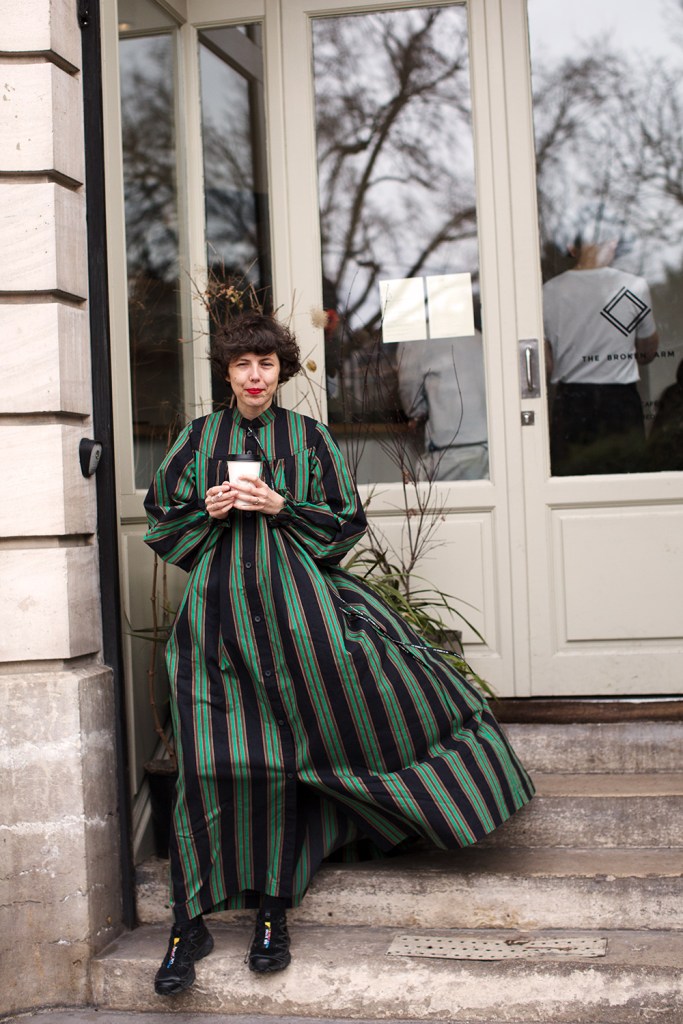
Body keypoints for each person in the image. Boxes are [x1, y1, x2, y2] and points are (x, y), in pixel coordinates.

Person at [144, 310, 534, 996]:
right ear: (227, 372)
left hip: (300, 622)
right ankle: (188, 922)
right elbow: (161, 522)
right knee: (208, 762)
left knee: (283, 760)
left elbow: (344, 525)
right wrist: (208, 510)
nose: (255, 377)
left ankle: (272, 913)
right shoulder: (198, 438)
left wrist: (280, 507)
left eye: (266, 364)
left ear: (282, 370)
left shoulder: (310, 438)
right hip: (215, 624)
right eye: (242, 365)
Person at [543, 217, 659, 475]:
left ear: (571, 248)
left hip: (570, 402)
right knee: (627, 483)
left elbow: (546, 364)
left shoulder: (548, 291)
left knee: (571, 484)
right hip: (619, 402)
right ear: (613, 242)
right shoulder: (633, 286)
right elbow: (648, 351)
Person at [396, 328, 489, 481]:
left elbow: (410, 392)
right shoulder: (477, 333)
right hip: (489, 446)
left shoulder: (416, 338)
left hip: (450, 449)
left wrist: (416, 414)